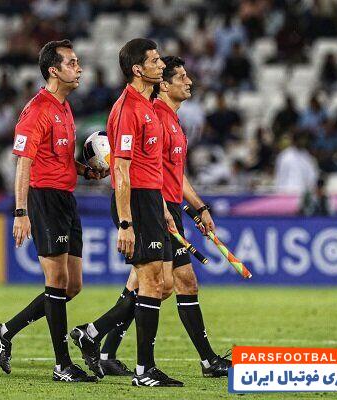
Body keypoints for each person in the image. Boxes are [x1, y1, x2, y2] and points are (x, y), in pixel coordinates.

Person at [98, 56, 232, 379]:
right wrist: (162, 210)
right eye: (181, 77)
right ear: (165, 85)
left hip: (168, 206)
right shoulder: (155, 115)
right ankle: (97, 337)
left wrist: (199, 207)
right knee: (159, 284)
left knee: (165, 283)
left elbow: (175, 174)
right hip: (155, 206)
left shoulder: (172, 120)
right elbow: (145, 171)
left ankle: (103, 347)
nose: (189, 81)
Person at [0, 39, 103, 383]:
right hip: (43, 198)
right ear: (54, 70)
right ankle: (63, 365)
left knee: (72, 285)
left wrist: (85, 170)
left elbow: (60, 158)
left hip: (66, 197)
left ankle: (4, 331)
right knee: (56, 281)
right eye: (72, 63)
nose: (79, 68)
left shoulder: (64, 107)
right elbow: (24, 162)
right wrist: (21, 212)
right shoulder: (36, 110)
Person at [69, 38, 184, 387]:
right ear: (137, 69)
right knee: (151, 282)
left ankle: (93, 333)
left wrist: (162, 208)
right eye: (155, 60)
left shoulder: (148, 105)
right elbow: (120, 169)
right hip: (134, 203)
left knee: (161, 284)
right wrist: (125, 223)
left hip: (151, 201)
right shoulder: (127, 109)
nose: (161, 65)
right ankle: (144, 370)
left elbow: (151, 167)